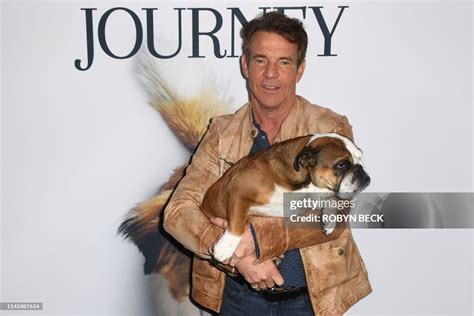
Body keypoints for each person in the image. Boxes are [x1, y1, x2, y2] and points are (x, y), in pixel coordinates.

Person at [164, 11, 371, 315]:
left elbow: (338, 211)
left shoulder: (329, 128)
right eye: (261, 60)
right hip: (237, 299)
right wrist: (238, 255)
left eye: (284, 62)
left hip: (310, 301)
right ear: (245, 66)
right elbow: (178, 211)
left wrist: (258, 240)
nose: (270, 74)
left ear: (300, 69)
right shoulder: (221, 132)